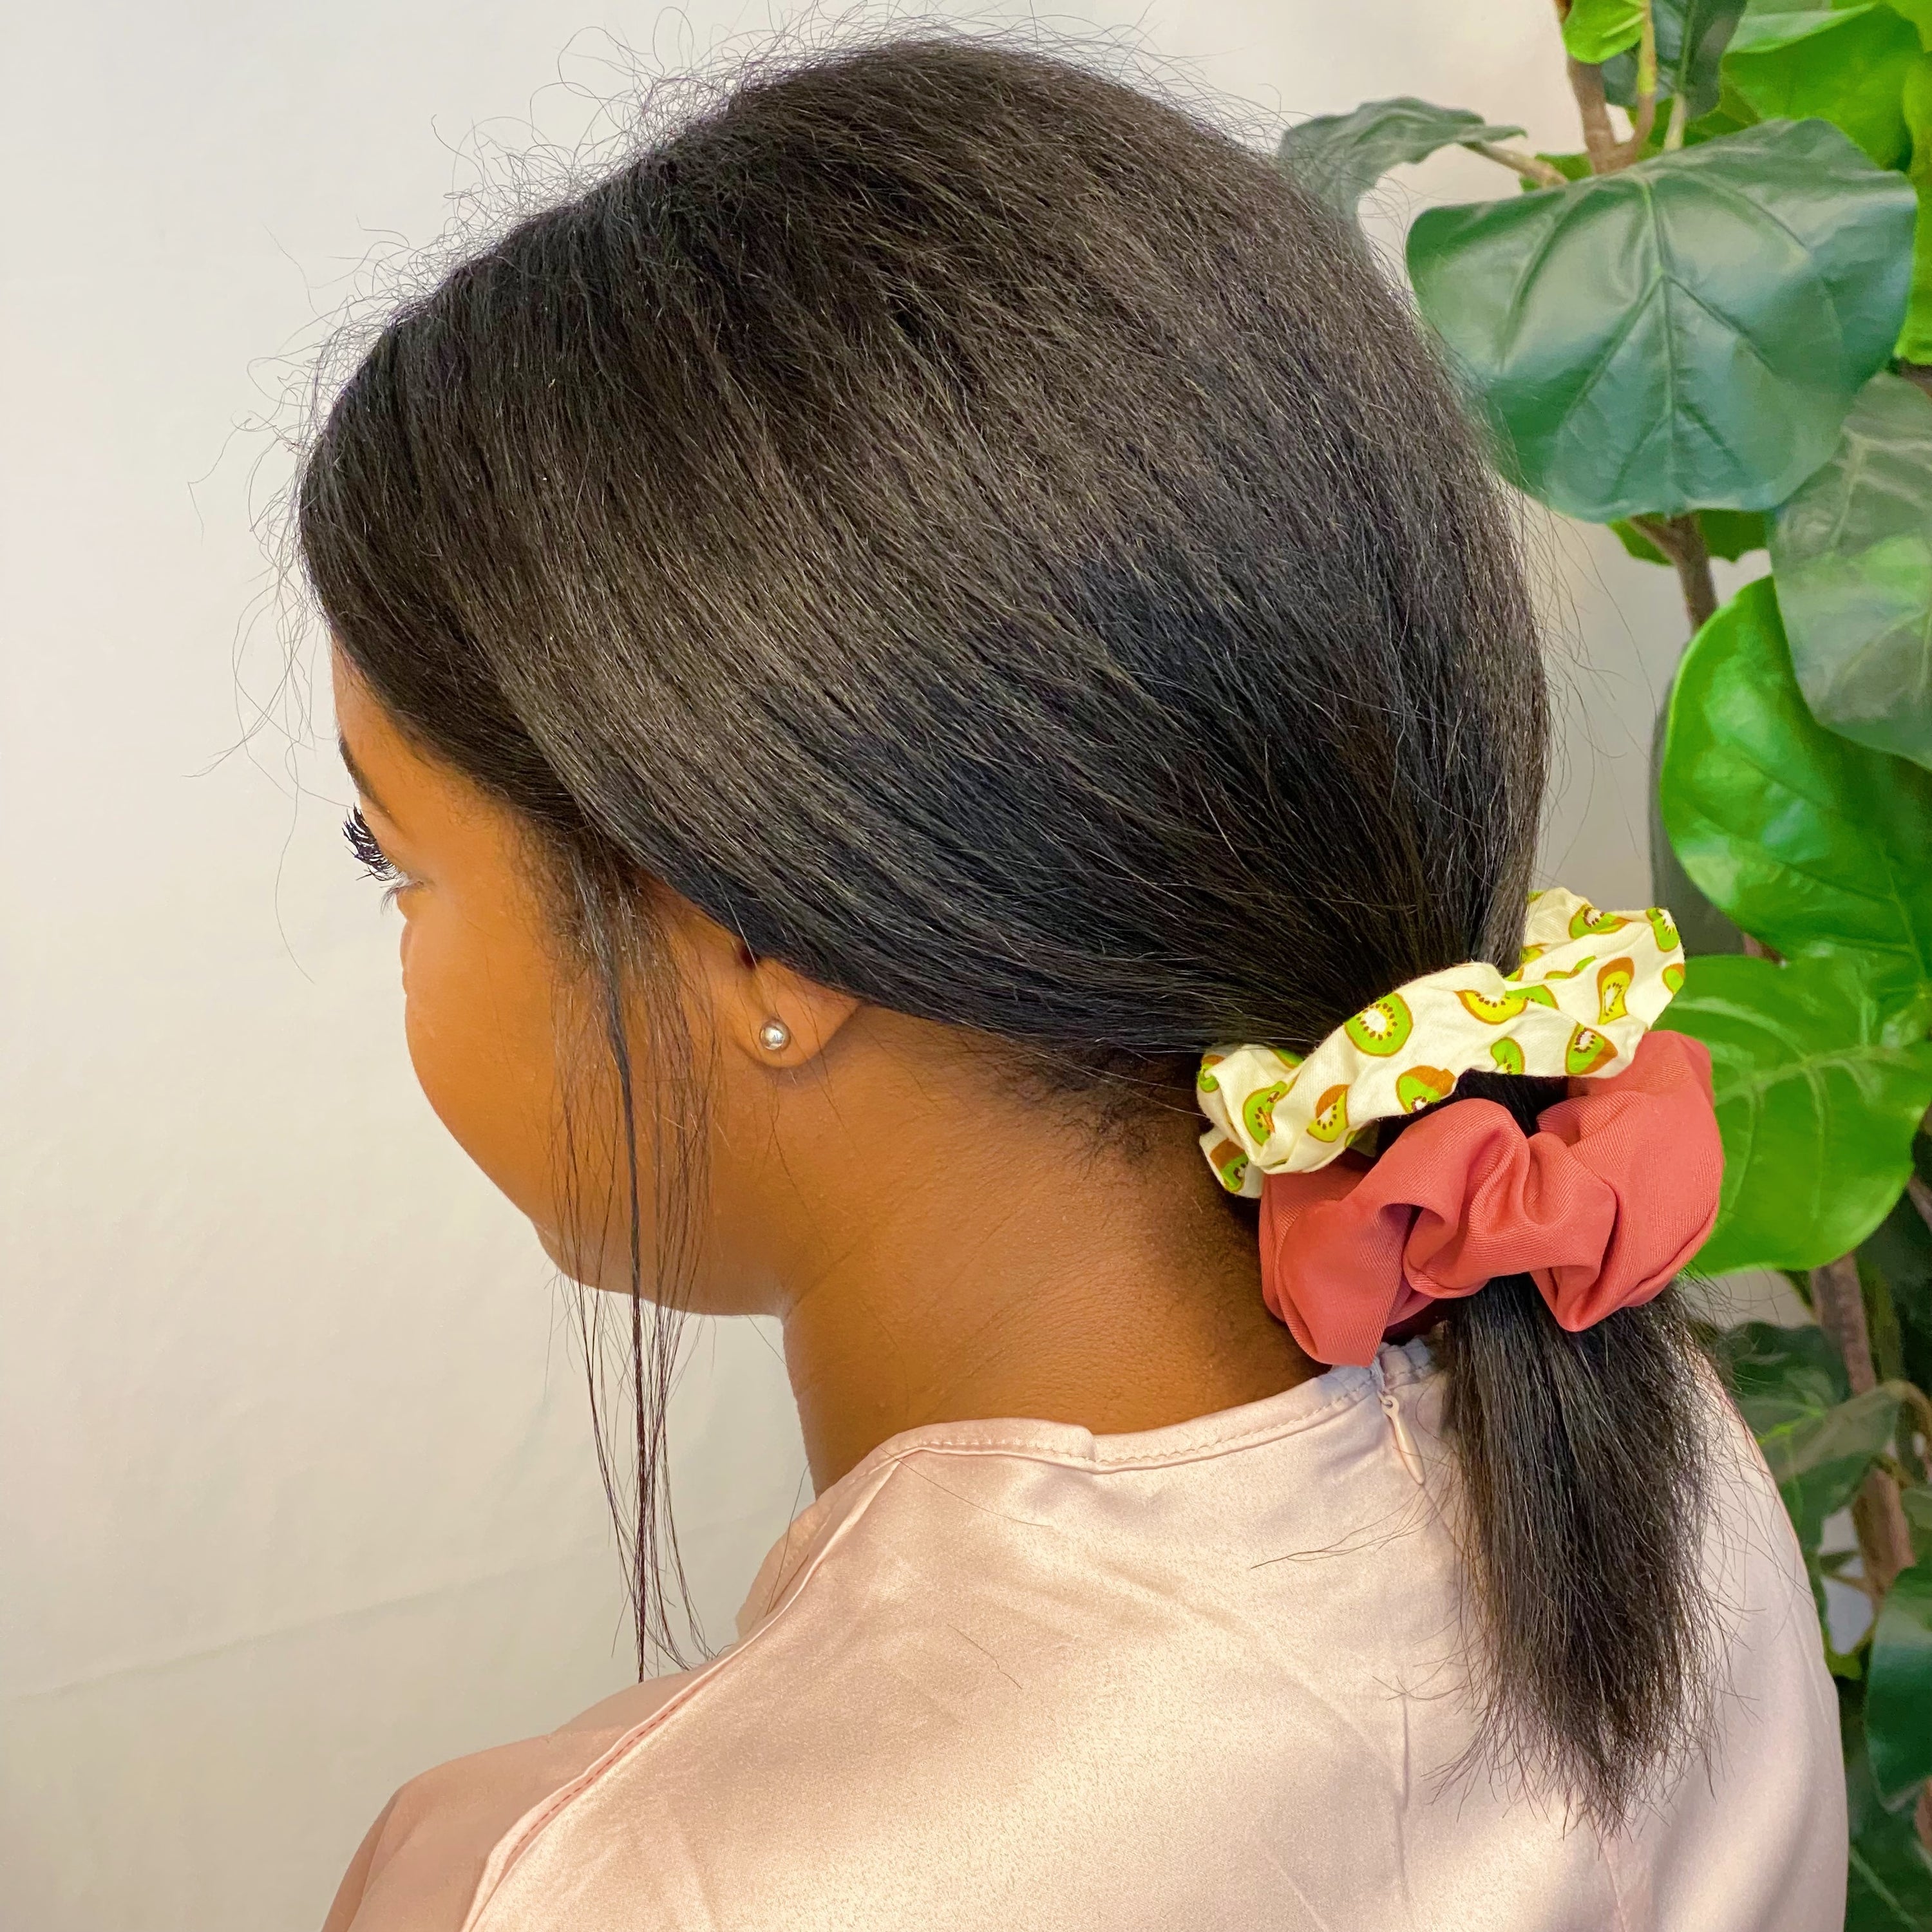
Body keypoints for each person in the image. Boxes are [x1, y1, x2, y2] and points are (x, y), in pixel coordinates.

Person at [303, 37, 1842, 1931]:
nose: (395, 935)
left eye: (397, 857)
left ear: (750, 937)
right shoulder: (1662, 1470)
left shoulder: (607, 1887)